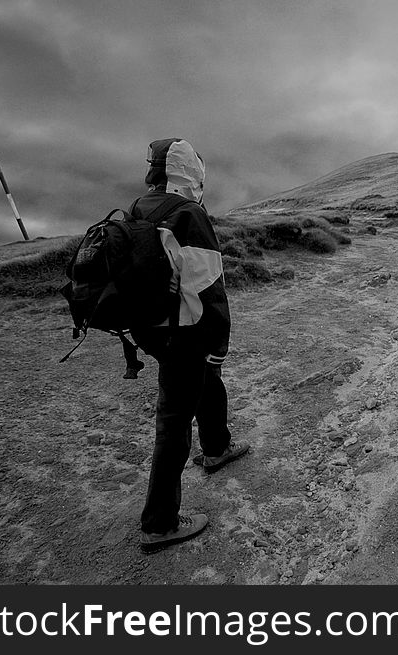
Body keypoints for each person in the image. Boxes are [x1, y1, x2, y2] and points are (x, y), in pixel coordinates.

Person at [129, 138, 249, 553]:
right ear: (188, 169)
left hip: (153, 330)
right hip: (187, 329)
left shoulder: (141, 206)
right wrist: (219, 341)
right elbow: (209, 287)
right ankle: (159, 524)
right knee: (174, 421)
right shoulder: (188, 213)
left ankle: (216, 447)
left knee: (206, 381)